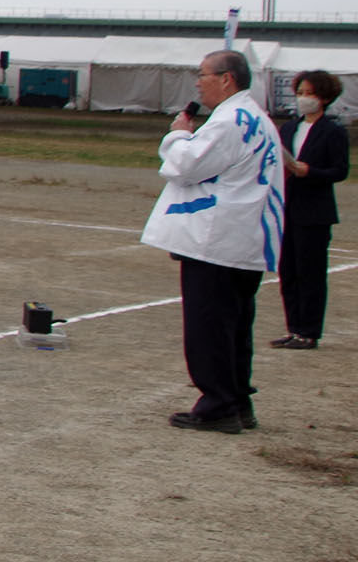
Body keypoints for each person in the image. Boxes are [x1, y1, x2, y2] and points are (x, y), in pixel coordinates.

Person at [142, 50, 285, 433]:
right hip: (245, 238)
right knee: (234, 326)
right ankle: (237, 400)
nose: (197, 82)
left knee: (209, 327)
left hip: (218, 239)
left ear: (226, 79)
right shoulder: (257, 118)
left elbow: (187, 165)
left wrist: (178, 134)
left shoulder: (230, 121)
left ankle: (218, 404)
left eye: (202, 75)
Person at [275, 70, 347, 350]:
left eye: (310, 94)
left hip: (315, 212)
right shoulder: (289, 128)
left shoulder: (333, 131)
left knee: (311, 273)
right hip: (287, 208)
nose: (303, 99)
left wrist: (310, 171)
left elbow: (339, 170)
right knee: (288, 271)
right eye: (300, 93)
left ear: (325, 98)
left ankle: (309, 330)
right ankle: (294, 327)